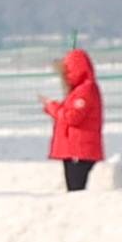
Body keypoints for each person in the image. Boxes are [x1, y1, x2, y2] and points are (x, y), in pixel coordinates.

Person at [42, 47, 102, 191]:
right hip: (74, 150)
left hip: (80, 151)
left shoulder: (86, 90)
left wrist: (53, 108)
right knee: (73, 188)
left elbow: (72, 117)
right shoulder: (79, 90)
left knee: (76, 189)